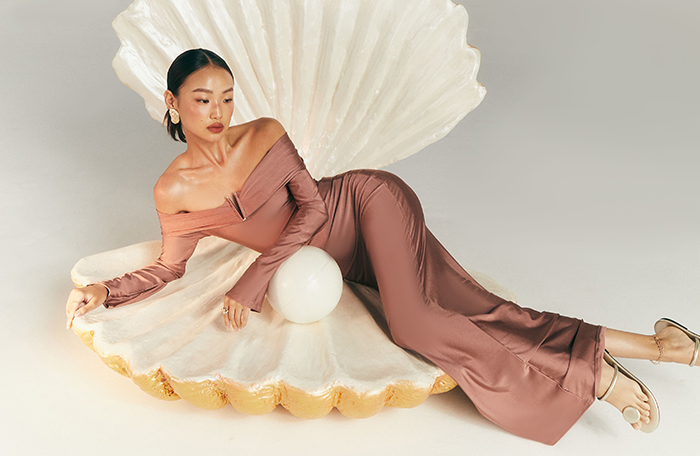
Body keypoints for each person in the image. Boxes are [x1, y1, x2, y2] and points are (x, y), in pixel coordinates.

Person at [64, 48, 699, 445]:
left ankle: (595, 380)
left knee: (416, 323)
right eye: (203, 99)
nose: (218, 112)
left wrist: (255, 277)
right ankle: (660, 345)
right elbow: (168, 268)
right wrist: (104, 291)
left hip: (367, 203)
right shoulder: (172, 190)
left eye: (227, 97)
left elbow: (314, 206)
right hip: (342, 260)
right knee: (479, 309)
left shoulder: (263, 134)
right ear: (172, 102)